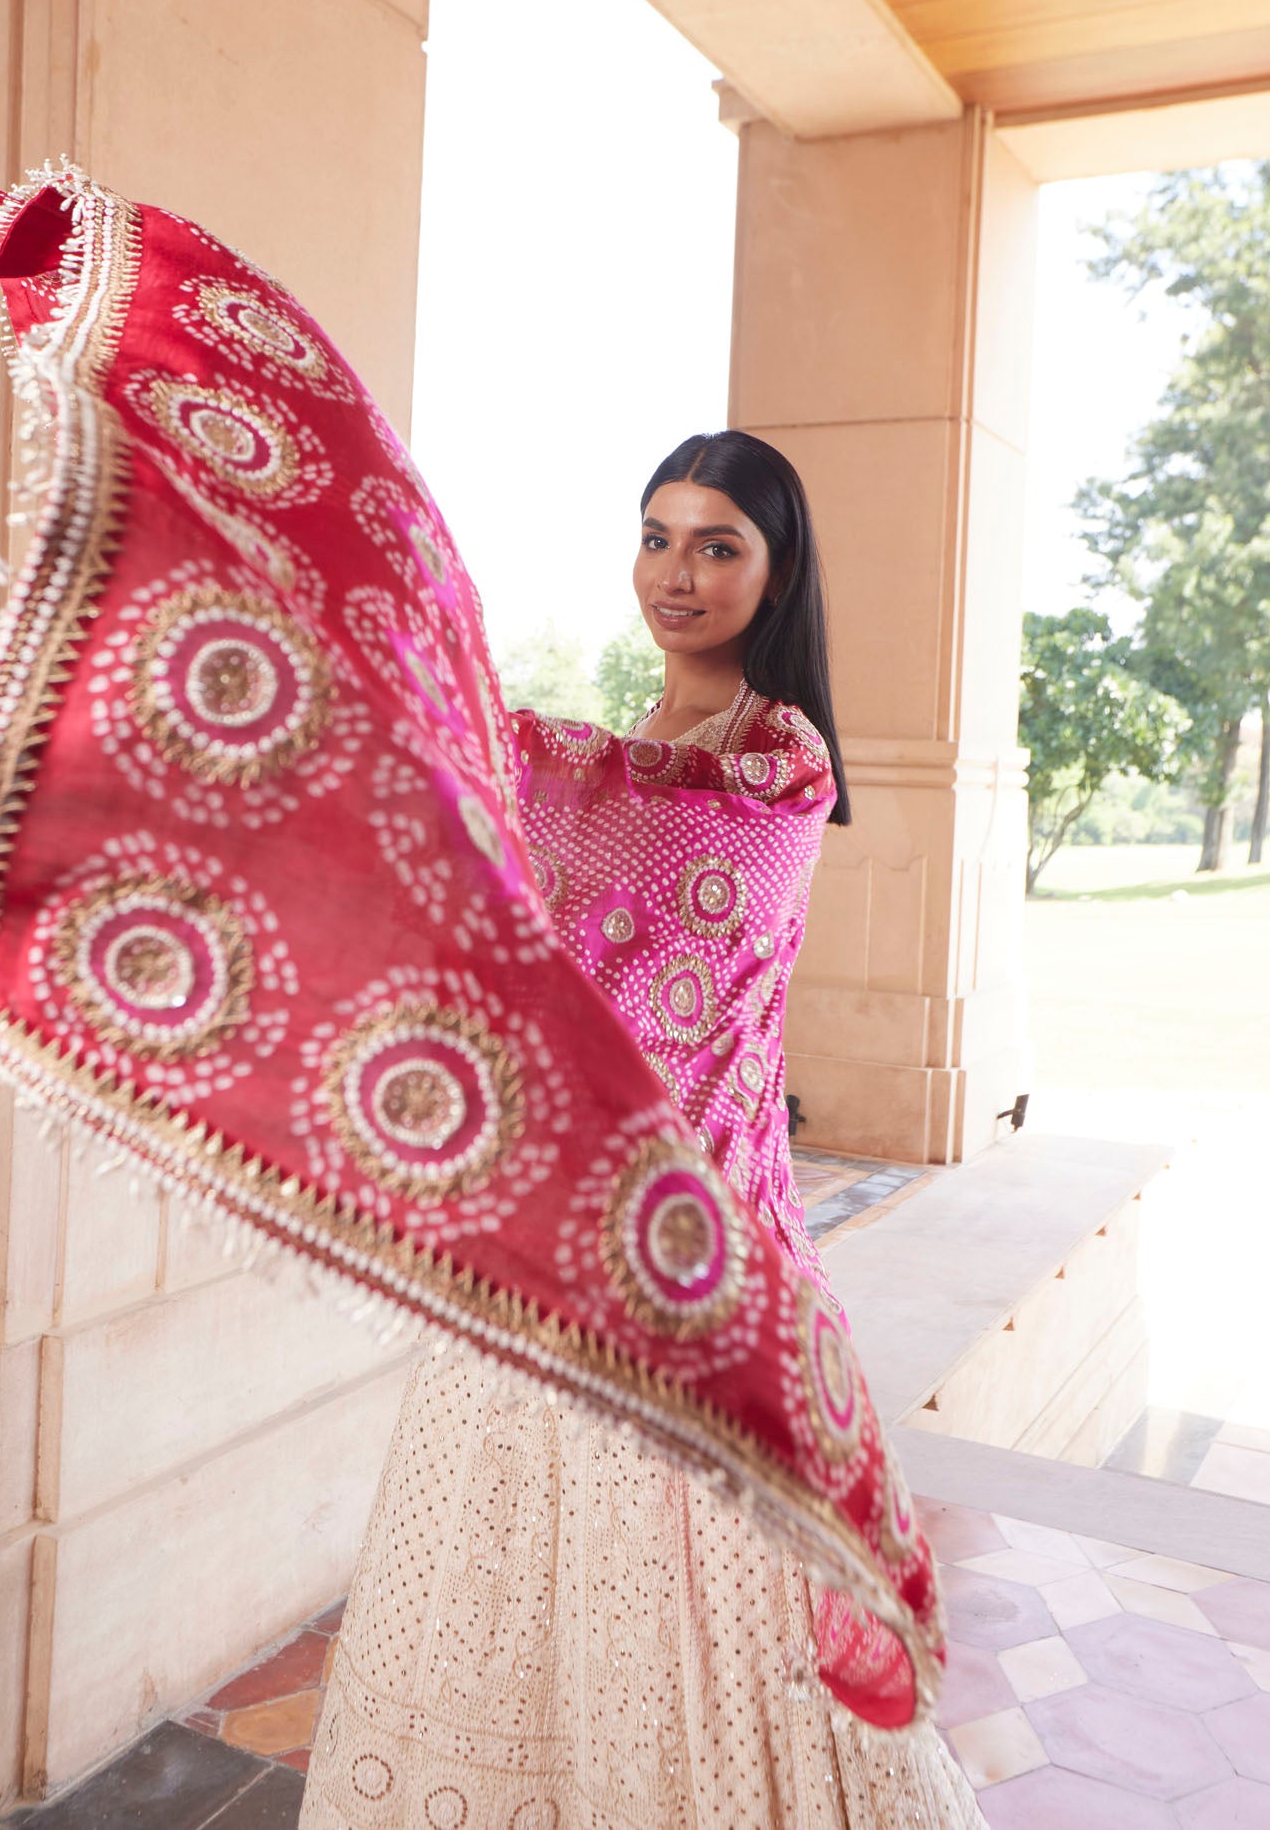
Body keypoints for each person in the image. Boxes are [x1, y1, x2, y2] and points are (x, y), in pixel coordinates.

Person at [297, 432, 981, 1829]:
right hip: (558, 1229)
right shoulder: (644, 740)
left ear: (778, 573)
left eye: (720, 545)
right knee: (512, 1583)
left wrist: (472, 731)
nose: (678, 573)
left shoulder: (776, 762)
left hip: (696, 1249)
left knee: (691, 1604)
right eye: (658, 537)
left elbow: (640, 909)